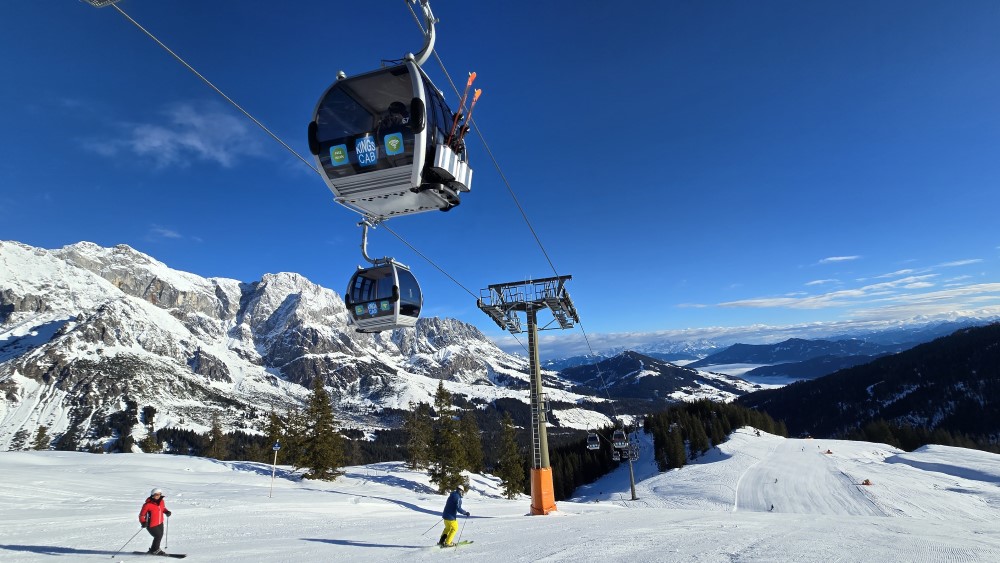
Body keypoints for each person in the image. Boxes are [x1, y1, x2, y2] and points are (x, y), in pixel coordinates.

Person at [138, 488, 172, 555]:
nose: (158, 496)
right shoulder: (147, 505)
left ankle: (153, 549)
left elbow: (163, 508)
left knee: (160, 535)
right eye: (156, 494)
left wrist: (166, 512)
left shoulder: (162, 501)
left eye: (159, 494)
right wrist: (143, 522)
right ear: (152, 495)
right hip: (151, 524)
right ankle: (156, 550)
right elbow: (141, 515)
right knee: (158, 536)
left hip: (160, 522)